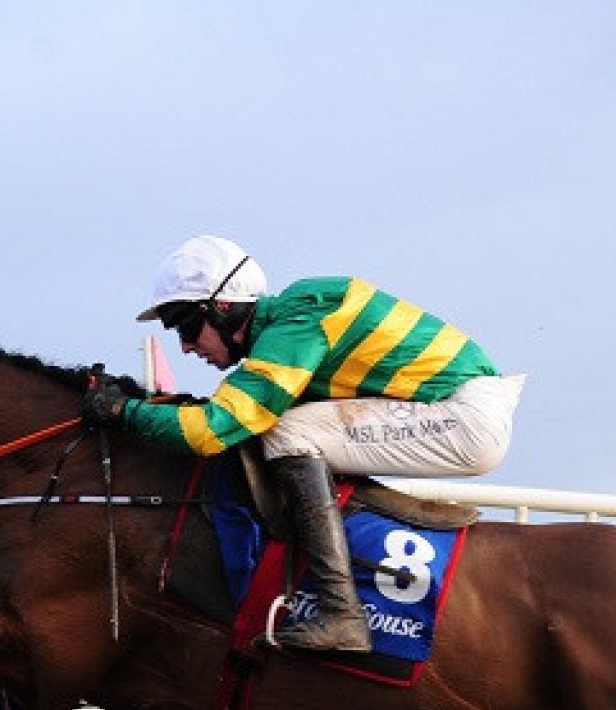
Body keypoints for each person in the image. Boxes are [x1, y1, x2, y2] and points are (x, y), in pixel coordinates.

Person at [86, 235, 525, 653]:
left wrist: (124, 412)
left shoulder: (297, 325)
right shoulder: (290, 322)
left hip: (464, 416)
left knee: (287, 432)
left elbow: (211, 430)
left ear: (222, 307)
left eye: (186, 325)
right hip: (455, 409)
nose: (184, 346)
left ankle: (340, 611)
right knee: (286, 428)